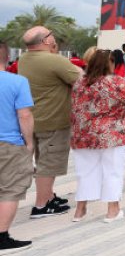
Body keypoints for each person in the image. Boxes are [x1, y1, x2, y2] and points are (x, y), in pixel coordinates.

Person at [70, 51, 125, 222]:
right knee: (113, 171)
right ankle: (112, 211)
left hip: (83, 134)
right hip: (112, 134)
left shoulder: (80, 83)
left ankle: (80, 211)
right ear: (109, 63)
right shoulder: (115, 81)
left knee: (85, 172)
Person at [17, 26, 79, 218]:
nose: (54, 37)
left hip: (34, 119)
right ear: (45, 41)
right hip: (54, 121)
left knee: (42, 159)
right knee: (49, 164)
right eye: (51, 34)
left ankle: (49, 195)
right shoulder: (55, 60)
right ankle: (42, 205)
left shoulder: (24, 59)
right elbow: (81, 79)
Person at [0, 53, 35, 253]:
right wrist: (29, 143)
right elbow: (24, 114)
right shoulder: (18, 82)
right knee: (9, 190)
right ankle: (2, 238)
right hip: (9, 142)